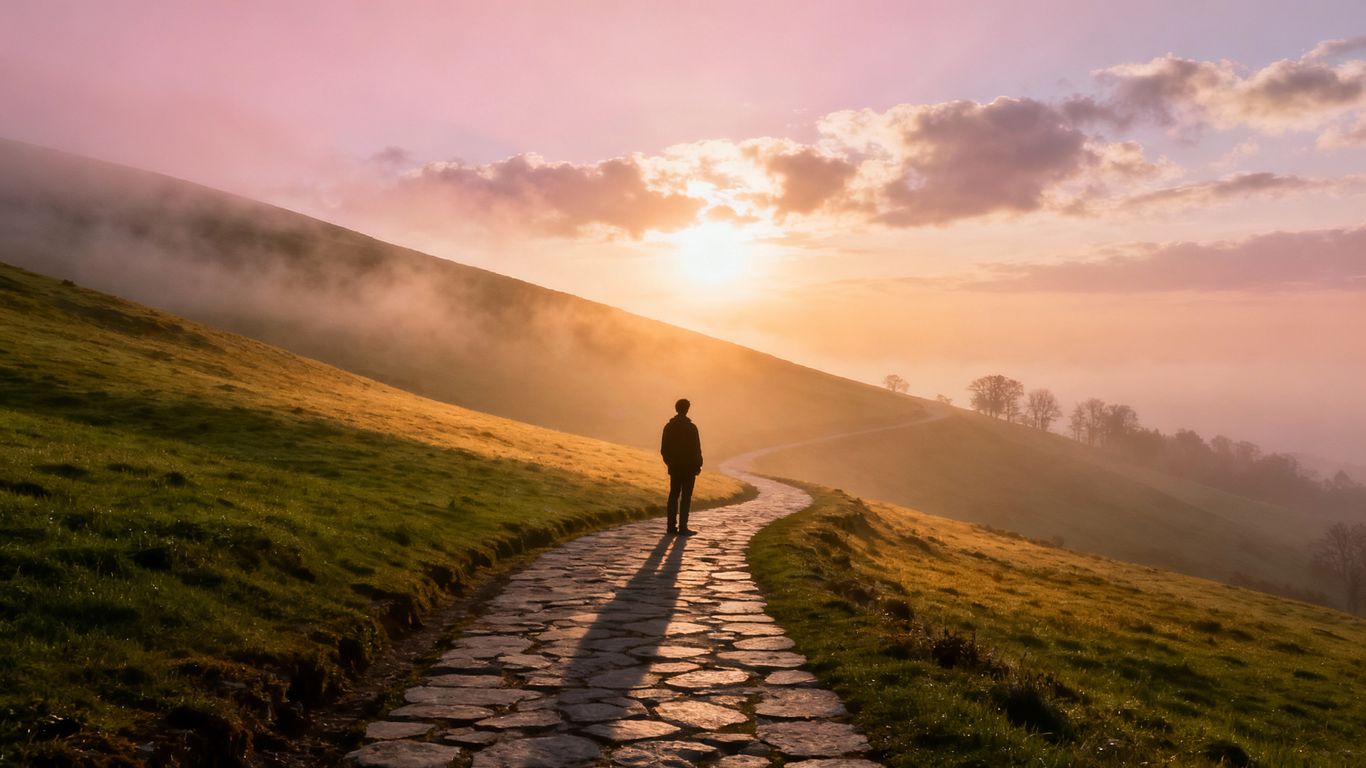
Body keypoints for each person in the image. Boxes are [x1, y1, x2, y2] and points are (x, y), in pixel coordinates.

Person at [660, 398, 703, 535]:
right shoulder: (691, 428)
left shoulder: (669, 427)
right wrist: (698, 465)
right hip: (689, 468)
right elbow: (696, 449)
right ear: (687, 409)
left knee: (673, 495)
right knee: (686, 497)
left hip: (675, 467)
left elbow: (664, 449)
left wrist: (670, 463)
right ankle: (683, 527)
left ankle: (670, 527)